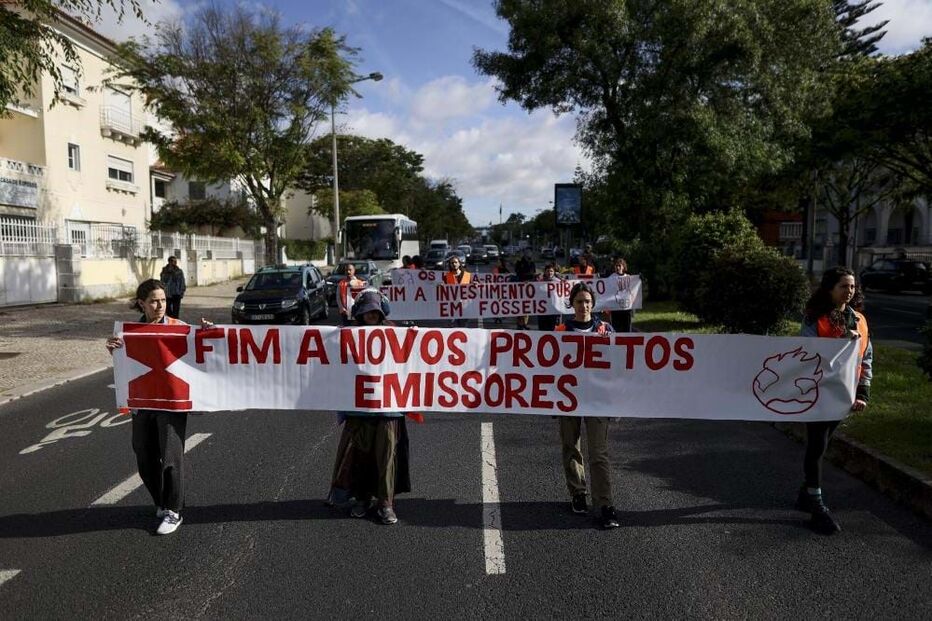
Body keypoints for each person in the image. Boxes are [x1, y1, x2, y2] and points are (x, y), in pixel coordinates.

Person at [105, 279, 212, 536]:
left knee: (171, 456)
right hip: (143, 404)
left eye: (163, 300)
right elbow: (127, 365)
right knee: (144, 455)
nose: (160, 305)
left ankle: (174, 510)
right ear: (141, 303)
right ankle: (161, 502)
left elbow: (203, 350)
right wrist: (114, 350)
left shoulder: (179, 328)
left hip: (171, 403)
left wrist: (208, 332)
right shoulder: (128, 332)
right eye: (153, 301)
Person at [796, 266, 872, 535]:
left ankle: (806, 493)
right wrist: (840, 341)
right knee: (816, 445)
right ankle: (816, 503)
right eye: (843, 286)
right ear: (830, 288)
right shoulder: (814, 318)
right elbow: (806, 354)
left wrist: (862, 392)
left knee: (824, 443)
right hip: (818, 393)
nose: (849, 291)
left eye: (852, 287)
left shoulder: (859, 320)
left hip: (844, 394)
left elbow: (866, 358)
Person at [327, 289, 411, 525]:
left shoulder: (397, 334)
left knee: (387, 458)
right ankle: (362, 498)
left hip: (388, 409)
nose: (371, 315)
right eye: (366, 311)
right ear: (359, 314)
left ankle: (386, 503)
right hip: (358, 410)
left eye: (375, 311)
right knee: (360, 456)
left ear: (381, 312)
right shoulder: (345, 335)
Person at [555, 282, 619, 529]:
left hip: (598, 400)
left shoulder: (605, 330)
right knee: (571, 446)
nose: (584, 306)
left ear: (594, 305)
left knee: (598, 453)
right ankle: (578, 492)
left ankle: (605, 504)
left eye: (588, 302)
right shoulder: (560, 331)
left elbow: (620, 365)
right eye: (579, 301)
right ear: (572, 304)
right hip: (568, 399)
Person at [443, 256, 472, 327]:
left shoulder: (467, 275)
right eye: (452, 263)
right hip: (453, 307)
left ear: (459, 264)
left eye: (456, 262)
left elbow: (472, 287)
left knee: (463, 327)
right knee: (453, 328)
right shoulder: (446, 276)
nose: (454, 264)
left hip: (465, 306)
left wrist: (475, 285)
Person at [607, 257, 633, 332]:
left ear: (623, 267)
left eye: (619, 266)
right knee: (616, 328)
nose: (618, 267)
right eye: (616, 266)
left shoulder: (628, 277)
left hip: (626, 308)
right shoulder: (611, 277)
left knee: (627, 328)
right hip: (615, 308)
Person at [514, 249, 536, 329]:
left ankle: (524, 323)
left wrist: (533, 278)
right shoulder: (519, 263)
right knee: (520, 305)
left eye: (530, 253)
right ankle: (519, 323)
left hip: (529, 286)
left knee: (527, 306)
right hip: (521, 286)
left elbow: (533, 272)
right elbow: (518, 272)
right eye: (528, 253)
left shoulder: (532, 263)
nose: (529, 254)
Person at [537, 263, 562, 331]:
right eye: (548, 271)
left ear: (554, 272)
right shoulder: (539, 282)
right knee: (542, 330)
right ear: (545, 272)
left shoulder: (559, 282)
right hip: (543, 311)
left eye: (551, 271)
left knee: (554, 330)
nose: (549, 273)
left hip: (554, 310)